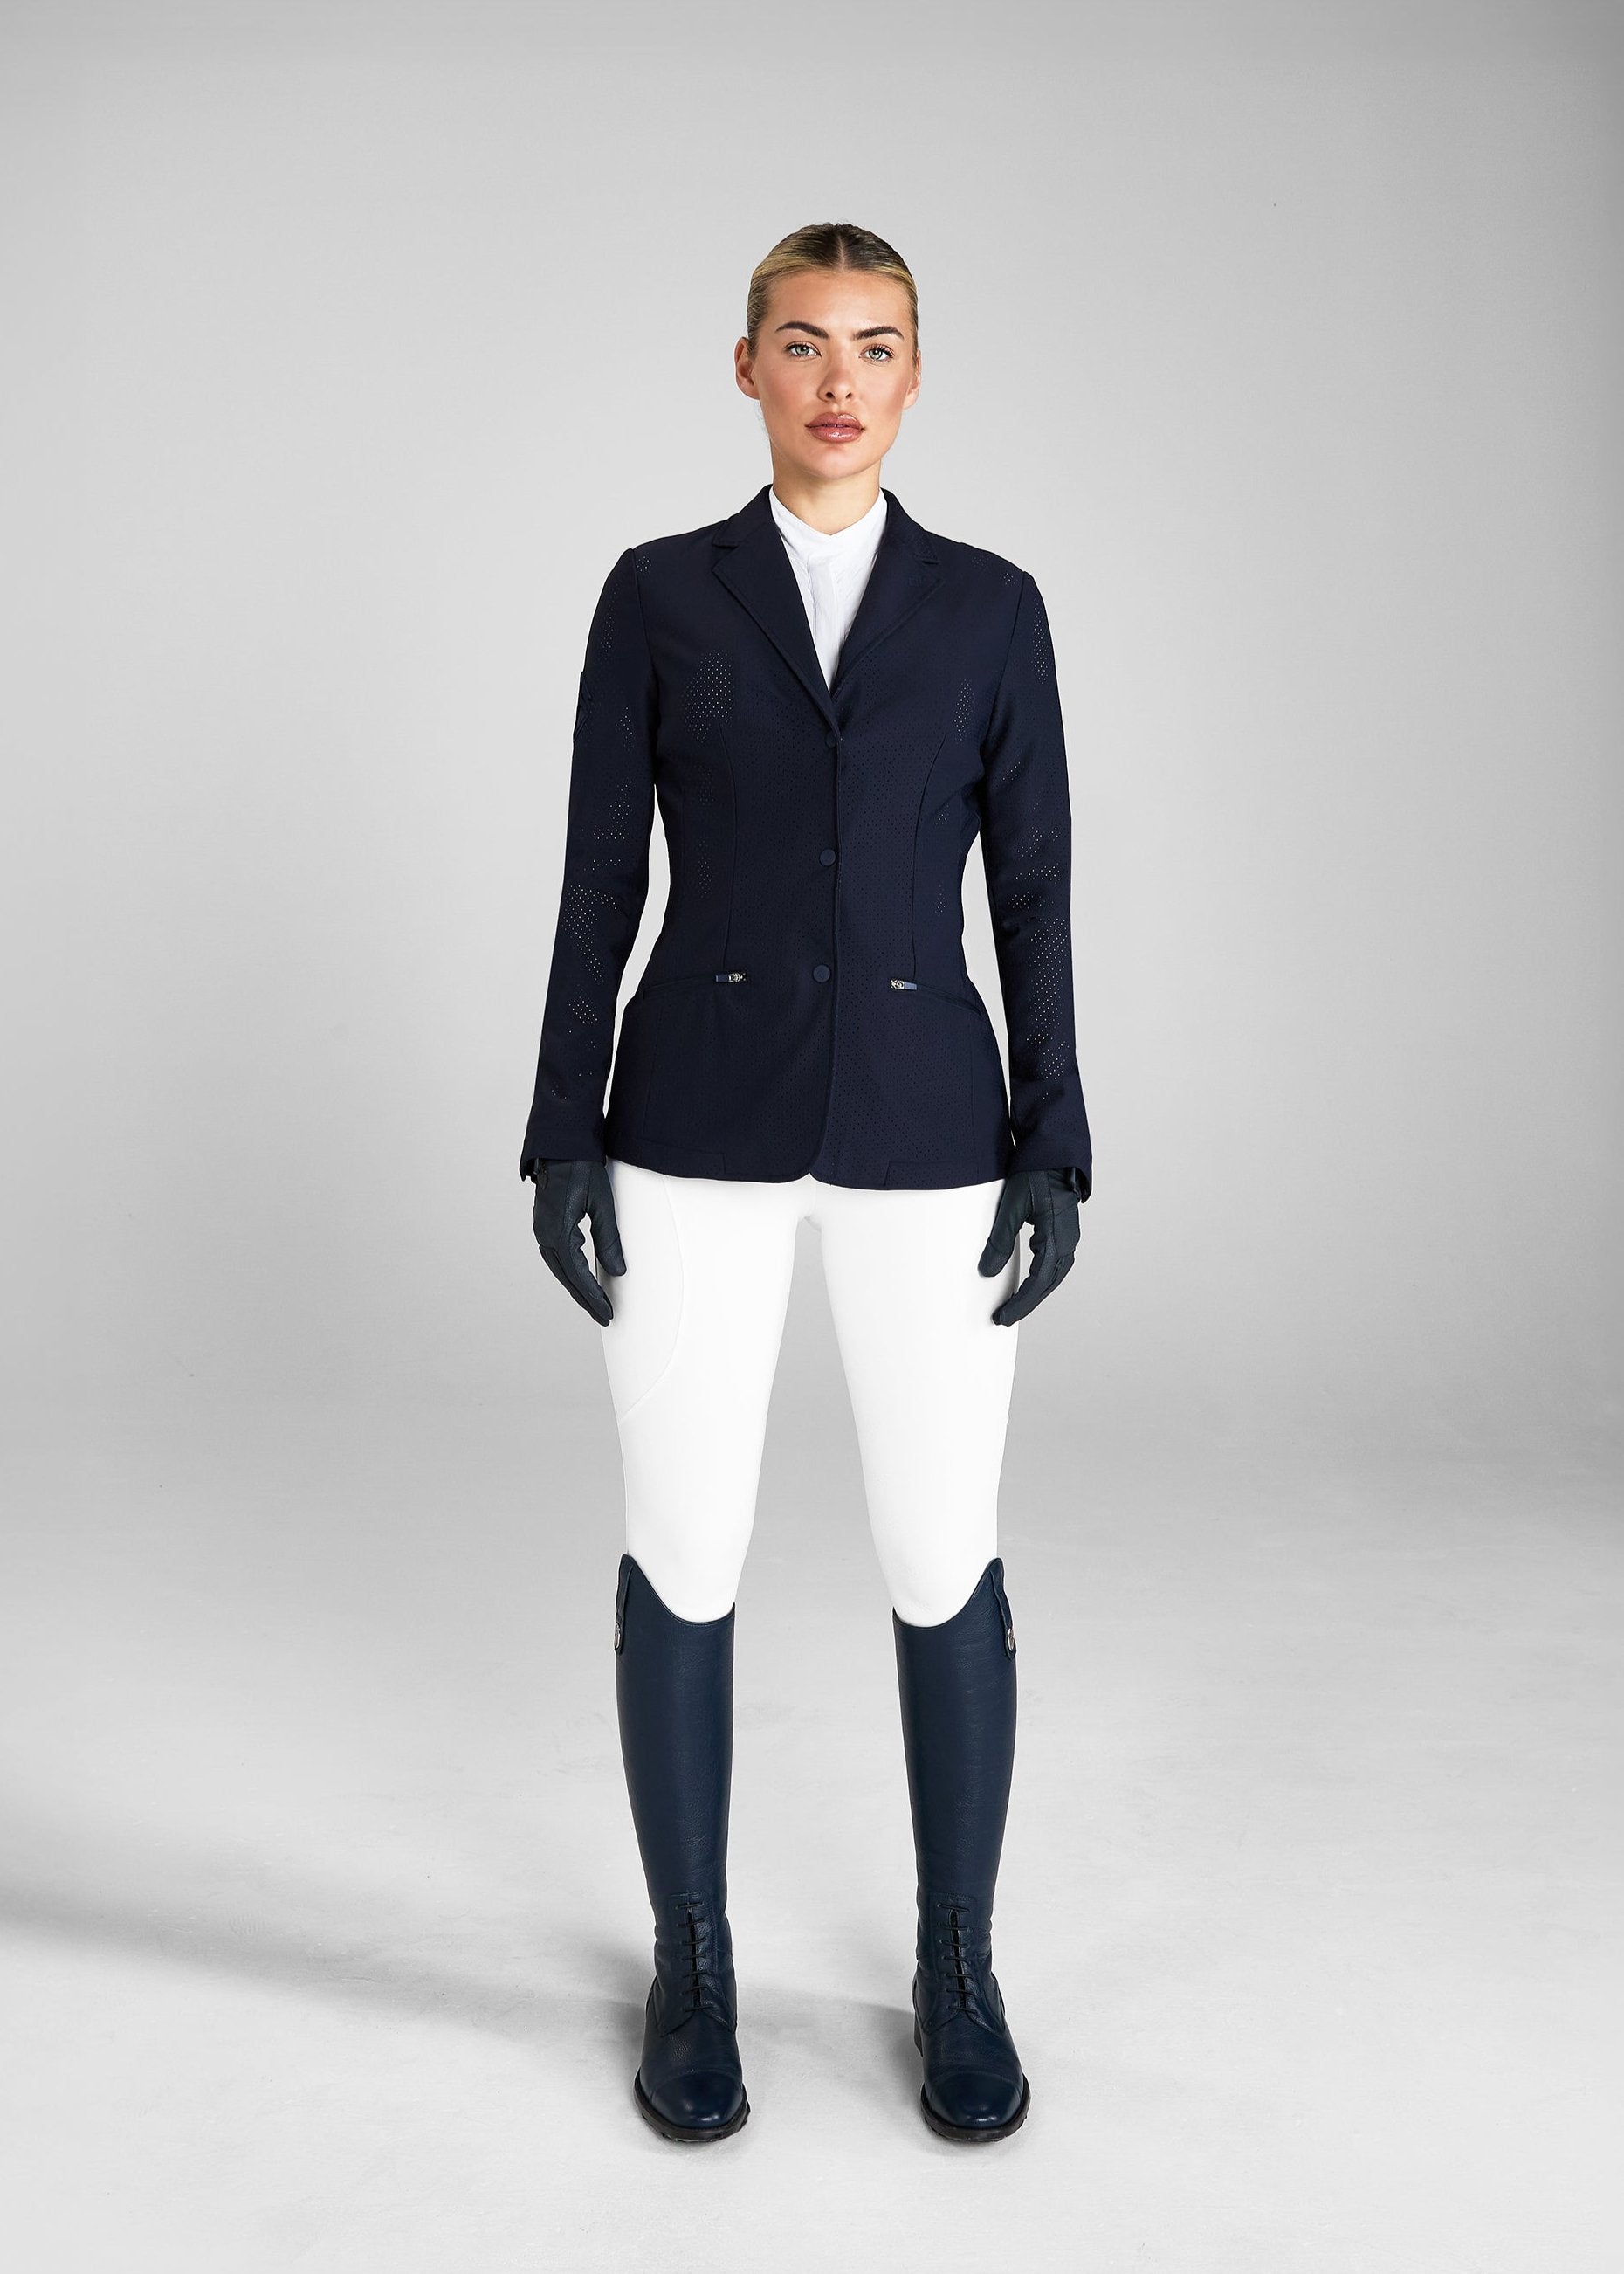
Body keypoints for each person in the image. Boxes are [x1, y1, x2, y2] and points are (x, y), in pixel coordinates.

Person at [520, 221, 1091, 2145]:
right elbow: (601, 876)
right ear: (748, 367)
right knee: (685, 1541)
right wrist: (561, 1121)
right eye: (803, 342)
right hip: (693, 1119)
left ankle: (958, 1968)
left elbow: (1034, 889)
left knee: (944, 1549)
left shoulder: (990, 608)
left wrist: (1057, 1132)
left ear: (916, 374)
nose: (840, 380)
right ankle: (692, 1968)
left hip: (931, 1128)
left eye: (876, 345)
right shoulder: (659, 595)